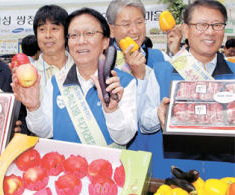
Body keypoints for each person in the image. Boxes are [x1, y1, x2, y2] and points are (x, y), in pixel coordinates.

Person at [12, 7, 137, 147]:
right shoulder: (56, 82)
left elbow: (124, 138)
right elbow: (45, 132)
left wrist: (112, 110)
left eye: (89, 33)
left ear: (105, 42)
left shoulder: (122, 83)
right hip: (65, 167)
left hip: (107, 167)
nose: (81, 41)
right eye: (74, 35)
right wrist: (33, 107)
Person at [140, 0, 234, 179]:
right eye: (201, 25)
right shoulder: (161, 72)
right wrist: (158, 113)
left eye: (217, 25)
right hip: (174, 179)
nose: (210, 31)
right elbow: (144, 124)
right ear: (186, 30)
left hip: (226, 181)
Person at [105, 0, 168, 154]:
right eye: (126, 24)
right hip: (120, 153)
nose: (134, 30)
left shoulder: (161, 58)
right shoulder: (103, 64)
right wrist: (138, 76)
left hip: (156, 151)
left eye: (139, 22)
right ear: (112, 30)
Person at [30, 5, 74, 97]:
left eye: (54, 29)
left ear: (66, 32)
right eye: (42, 29)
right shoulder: (31, 73)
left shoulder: (81, 68)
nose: (48, 35)